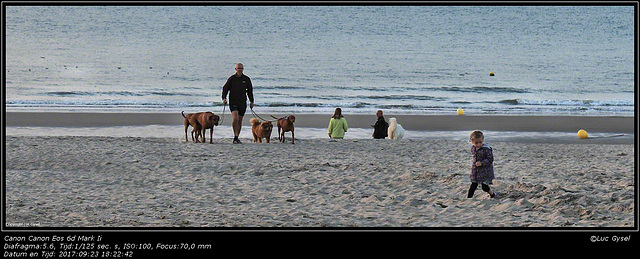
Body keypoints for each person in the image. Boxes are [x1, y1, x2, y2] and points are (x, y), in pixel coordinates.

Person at [222, 63, 254, 144]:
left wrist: (252, 101)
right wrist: (224, 98)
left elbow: (250, 91)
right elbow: (225, 88)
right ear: (235, 69)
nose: (240, 69)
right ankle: (235, 135)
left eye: (241, 68)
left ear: (243, 69)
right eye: (238, 68)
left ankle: (236, 137)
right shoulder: (232, 79)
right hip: (233, 101)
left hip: (242, 102)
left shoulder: (246, 79)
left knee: (239, 120)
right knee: (235, 118)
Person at [467, 130, 497, 198]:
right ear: (472, 142)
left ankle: (492, 194)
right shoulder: (473, 148)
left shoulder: (486, 149)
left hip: (485, 171)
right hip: (476, 170)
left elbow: (490, 159)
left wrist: (482, 163)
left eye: (480, 142)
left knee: (484, 187)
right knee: (473, 185)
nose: (478, 144)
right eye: (476, 143)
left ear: (483, 140)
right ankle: (469, 198)